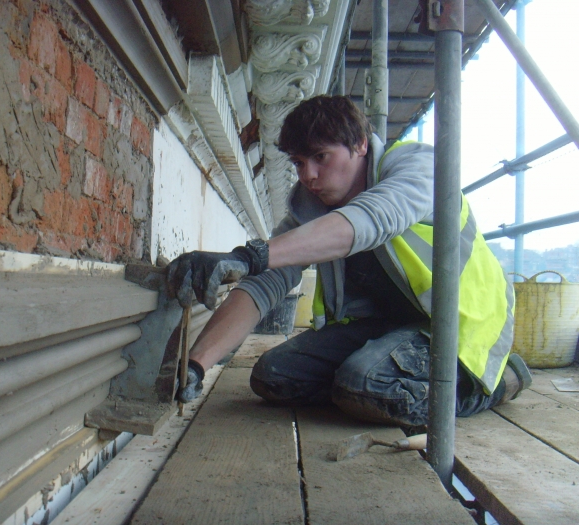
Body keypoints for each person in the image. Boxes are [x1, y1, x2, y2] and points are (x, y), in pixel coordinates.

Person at [166, 95, 531, 428]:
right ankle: (364, 387)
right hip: (383, 326)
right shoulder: (310, 209)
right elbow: (264, 283)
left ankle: (495, 382)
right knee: (273, 377)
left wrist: (251, 255)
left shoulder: (418, 167)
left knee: (364, 382)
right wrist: (196, 364)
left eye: (321, 157)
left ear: (359, 144)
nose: (308, 175)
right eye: (298, 162)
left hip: (457, 326)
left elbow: (371, 220)